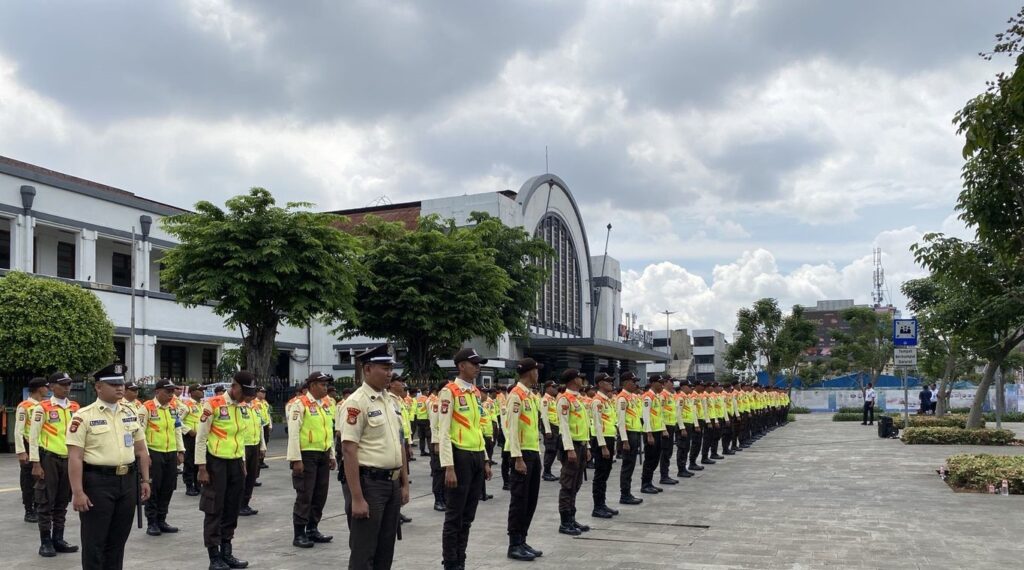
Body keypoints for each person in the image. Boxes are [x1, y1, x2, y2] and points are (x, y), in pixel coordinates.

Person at [67, 373, 152, 570]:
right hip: (98, 482)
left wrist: (146, 480)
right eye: (113, 384)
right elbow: (75, 457)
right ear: (98, 387)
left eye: (121, 384)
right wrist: (78, 492)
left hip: (127, 482)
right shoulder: (84, 416)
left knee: (118, 541)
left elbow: (141, 450)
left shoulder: (130, 412)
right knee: (94, 542)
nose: (119, 388)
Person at [340, 344, 410, 569]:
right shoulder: (356, 402)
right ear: (368, 369)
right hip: (370, 484)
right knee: (364, 551)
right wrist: (357, 498)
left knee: (385, 549)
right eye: (385, 368)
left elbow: (399, 443)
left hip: (392, 484)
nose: (390, 373)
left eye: (391, 368)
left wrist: (404, 483)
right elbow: (349, 450)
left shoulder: (390, 400)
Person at [437, 347, 493, 570]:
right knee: (454, 515)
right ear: (461, 366)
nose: (478, 367)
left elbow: (477, 428)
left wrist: (486, 459)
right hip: (459, 456)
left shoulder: (476, 393)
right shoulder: (449, 392)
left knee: (468, 515)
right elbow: (443, 431)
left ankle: (461, 559)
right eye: (474, 363)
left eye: (479, 364)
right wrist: (448, 466)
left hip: (477, 455)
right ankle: (451, 562)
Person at [196, 371, 256, 570]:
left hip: (236, 463)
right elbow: (201, 438)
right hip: (216, 463)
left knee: (232, 508)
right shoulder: (213, 404)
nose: (247, 397)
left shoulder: (243, 406)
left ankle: (226, 553)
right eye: (244, 392)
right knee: (214, 509)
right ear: (235, 386)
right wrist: (202, 467)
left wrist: (243, 463)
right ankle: (214, 557)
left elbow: (240, 437)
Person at [28, 371, 81, 557]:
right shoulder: (42, 408)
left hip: (69, 459)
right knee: (45, 501)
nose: (67, 388)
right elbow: (33, 437)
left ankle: (58, 538)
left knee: (62, 501)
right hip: (49, 459)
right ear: (51, 386)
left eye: (69, 384)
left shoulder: (75, 407)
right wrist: (36, 463)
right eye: (62, 384)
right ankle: (45, 541)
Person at [287, 371, 336, 548]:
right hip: (306, 455)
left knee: (320, 494)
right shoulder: (300, 404)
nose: (326, 388)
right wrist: (296, 459)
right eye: (322, 385)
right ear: (313, 385)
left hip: (323, 453)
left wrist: (331, 454)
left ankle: (313, 528)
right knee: (305, 494)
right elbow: (293, 432)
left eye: (326, 384)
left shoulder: (325, 404)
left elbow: (328, 431)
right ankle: (299, 533)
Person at [504, 358, 545, 561]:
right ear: (530, 372)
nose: (538, 374)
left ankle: (522, 539)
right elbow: (511, 429)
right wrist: (517, 457)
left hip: (533, 451)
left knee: (531, 499)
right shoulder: (516, 395)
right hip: (521, 454)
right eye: (537, 370)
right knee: (519, 500)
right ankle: (514, 544)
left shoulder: (530, 395)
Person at [140, 379, 186, 536]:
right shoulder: (146, 408)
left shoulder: (173, 408)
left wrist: (181, 451)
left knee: (168, 487)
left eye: (172, 392)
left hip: (171, 452)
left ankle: (162, 519)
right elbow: (140, 434)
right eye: (167, 392)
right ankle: (152, 522)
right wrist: (145, 455)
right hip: (154, 452)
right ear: (157, 391)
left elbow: (177, 429)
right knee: (154, 488)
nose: (171, 395)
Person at [555, 368, 591, 535]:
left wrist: (587, 446)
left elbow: (584, 425)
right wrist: (569, 449)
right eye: (579, 377)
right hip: (572, 446)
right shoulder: (564, 399)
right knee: (568, 483)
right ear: (572, 380)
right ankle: (565, 522)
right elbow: (564, 426)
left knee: (576, 483)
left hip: (581, 444)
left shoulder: (579, 399)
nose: (581, 380)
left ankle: (572, 517)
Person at [16, 377, 49, 523]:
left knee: (42, 479)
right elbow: (18, 431)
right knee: (28, 480)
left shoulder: (45, 405)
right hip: (29, 445)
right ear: (39, 388)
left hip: (42, 447)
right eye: (46, 387)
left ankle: (39, 507)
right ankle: (29, 510)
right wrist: (21, 451)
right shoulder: (25, 406)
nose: (48, 389)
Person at [589, 372, 620, 519]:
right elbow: (597, 425)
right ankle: (597, 507)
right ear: (600, 384)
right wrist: (603, 446)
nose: (611, 384)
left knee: (606, 472)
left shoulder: (607, 400)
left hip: (609, 438)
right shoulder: (597, 401)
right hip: (601, 440)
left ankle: (602, 503)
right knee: (600, 474)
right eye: (608, 382)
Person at [616, 372, 644, 505]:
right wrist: (625, 440)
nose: (635, 384)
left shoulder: (632, 397)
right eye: (633, 382)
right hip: (629, 434)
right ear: (626, 382)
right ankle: (625, 494)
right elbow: (621, 421)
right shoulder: (622, 398)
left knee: (631, 464)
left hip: (635, 432)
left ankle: (628, 493)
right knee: (627, 465)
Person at [239, 387, 267, 517]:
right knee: (242, 476)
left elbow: (260, 427)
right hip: (243, 445)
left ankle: (245, 503)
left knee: (252, 476)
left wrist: (262, 445)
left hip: (255, 444)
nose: (252, 397)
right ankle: (238, 504)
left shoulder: (256, 407)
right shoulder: (238, 407)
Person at [639, 376, 667, 494]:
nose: (662, 385)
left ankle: (649, 482)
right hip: (650, 432)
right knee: (650, 459)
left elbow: (659, 415)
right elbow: (645, 417)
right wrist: (649, 434)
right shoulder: (648, 397)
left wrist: (663, 429)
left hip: (657, 430)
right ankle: (645, 484)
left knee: (656, 458)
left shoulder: (657, 397)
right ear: (653, 383)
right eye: (660, 383)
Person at [181, 384, 204, 496]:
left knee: (198, 461)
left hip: (200, 438)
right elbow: (176, 420)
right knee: (189, 462)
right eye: (200, 390)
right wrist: (189, 430)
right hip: (189, 437)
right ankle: (189, 485)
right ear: (192, 392)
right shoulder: (186, 405)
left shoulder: (201, 405)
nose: (202, 392)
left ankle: (198, 485)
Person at [427, 385, 446, 512]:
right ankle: (438, 500)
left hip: (447, 442)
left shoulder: (446, 403)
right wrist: (436, 443)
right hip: (439, 443)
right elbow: (434, 425)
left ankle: (445, 498)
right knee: (439, 473)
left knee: (445, 473)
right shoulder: (436, 404)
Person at [658, 379, 679, 486]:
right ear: (665, 383)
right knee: (665, 452)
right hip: (666, 426)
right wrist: (663, 429)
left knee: (669, 451)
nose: (673, 384)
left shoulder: (671, 395)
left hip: (671, 425)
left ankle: (666, 475)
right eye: (671, 382)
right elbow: (660, 413)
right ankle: (664, 476)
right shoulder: (663, 395)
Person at [674, 380, 696, 478]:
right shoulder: (681, 398)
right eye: (689, 386)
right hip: (683, 425)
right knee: (682, 448)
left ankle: (683, 468)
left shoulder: (687, 398)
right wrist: (682, 428)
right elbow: (678, 413)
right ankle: (681, 470)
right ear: (683, 387)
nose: (691, 388)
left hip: (688, 424)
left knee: (686, 448)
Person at [540, 382, 560, 481]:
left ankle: (548, 471)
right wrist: (547, 430)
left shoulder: (553, 399)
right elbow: (544, 416)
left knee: (554, 450)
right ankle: (546, 472)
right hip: (550, 427)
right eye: (553, 387)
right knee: (550, 450)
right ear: (548, 388)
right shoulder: (545, 400)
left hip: (555, 426)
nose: (556, 389)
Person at [255, 387, 273, 469]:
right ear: (257, 393)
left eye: (264, 392)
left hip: (266, 425)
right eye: (262, 392)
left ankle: (261, 460)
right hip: (259, 425)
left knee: (265, 442)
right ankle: (257, 461)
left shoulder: (265, 403)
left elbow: (268, 414)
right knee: (259, 443)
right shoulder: (254, 402)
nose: (263, 394)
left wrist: (270, 425)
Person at [415, 388, 432, 457]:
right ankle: (431, 451)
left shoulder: (418, 399)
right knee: (428, 437)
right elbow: (429, 410)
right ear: (425, 391)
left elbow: (416, 409)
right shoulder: (427, 399)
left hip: (419, 420)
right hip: (426, 420)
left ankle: (422, 451)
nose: (428, 391)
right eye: (427, 390)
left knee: (421, 437)